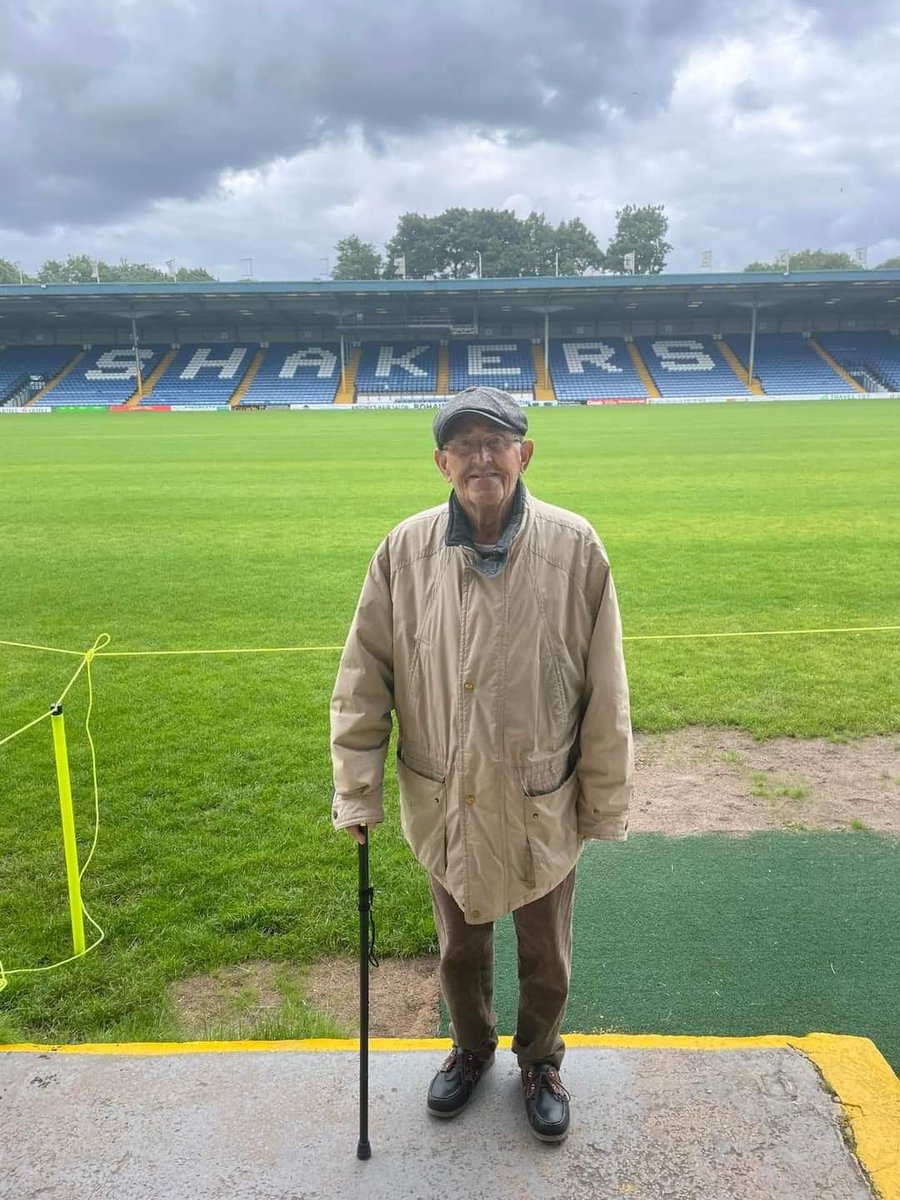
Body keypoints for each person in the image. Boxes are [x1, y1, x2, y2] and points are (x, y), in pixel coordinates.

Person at [330, 385, 632, 1142]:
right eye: (464, 446)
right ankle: (470, 1048)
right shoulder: (403, 552)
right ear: (442, 463)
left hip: (540, 796)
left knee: (546, 953)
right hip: (446, 797)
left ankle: (541, 1059)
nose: (481, 458)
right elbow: (363, 680)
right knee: (459, 950)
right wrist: (357, 793)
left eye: (496, 442)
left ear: (524, 454)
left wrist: (602, 802)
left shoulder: (576, 547)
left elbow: (607, 689)